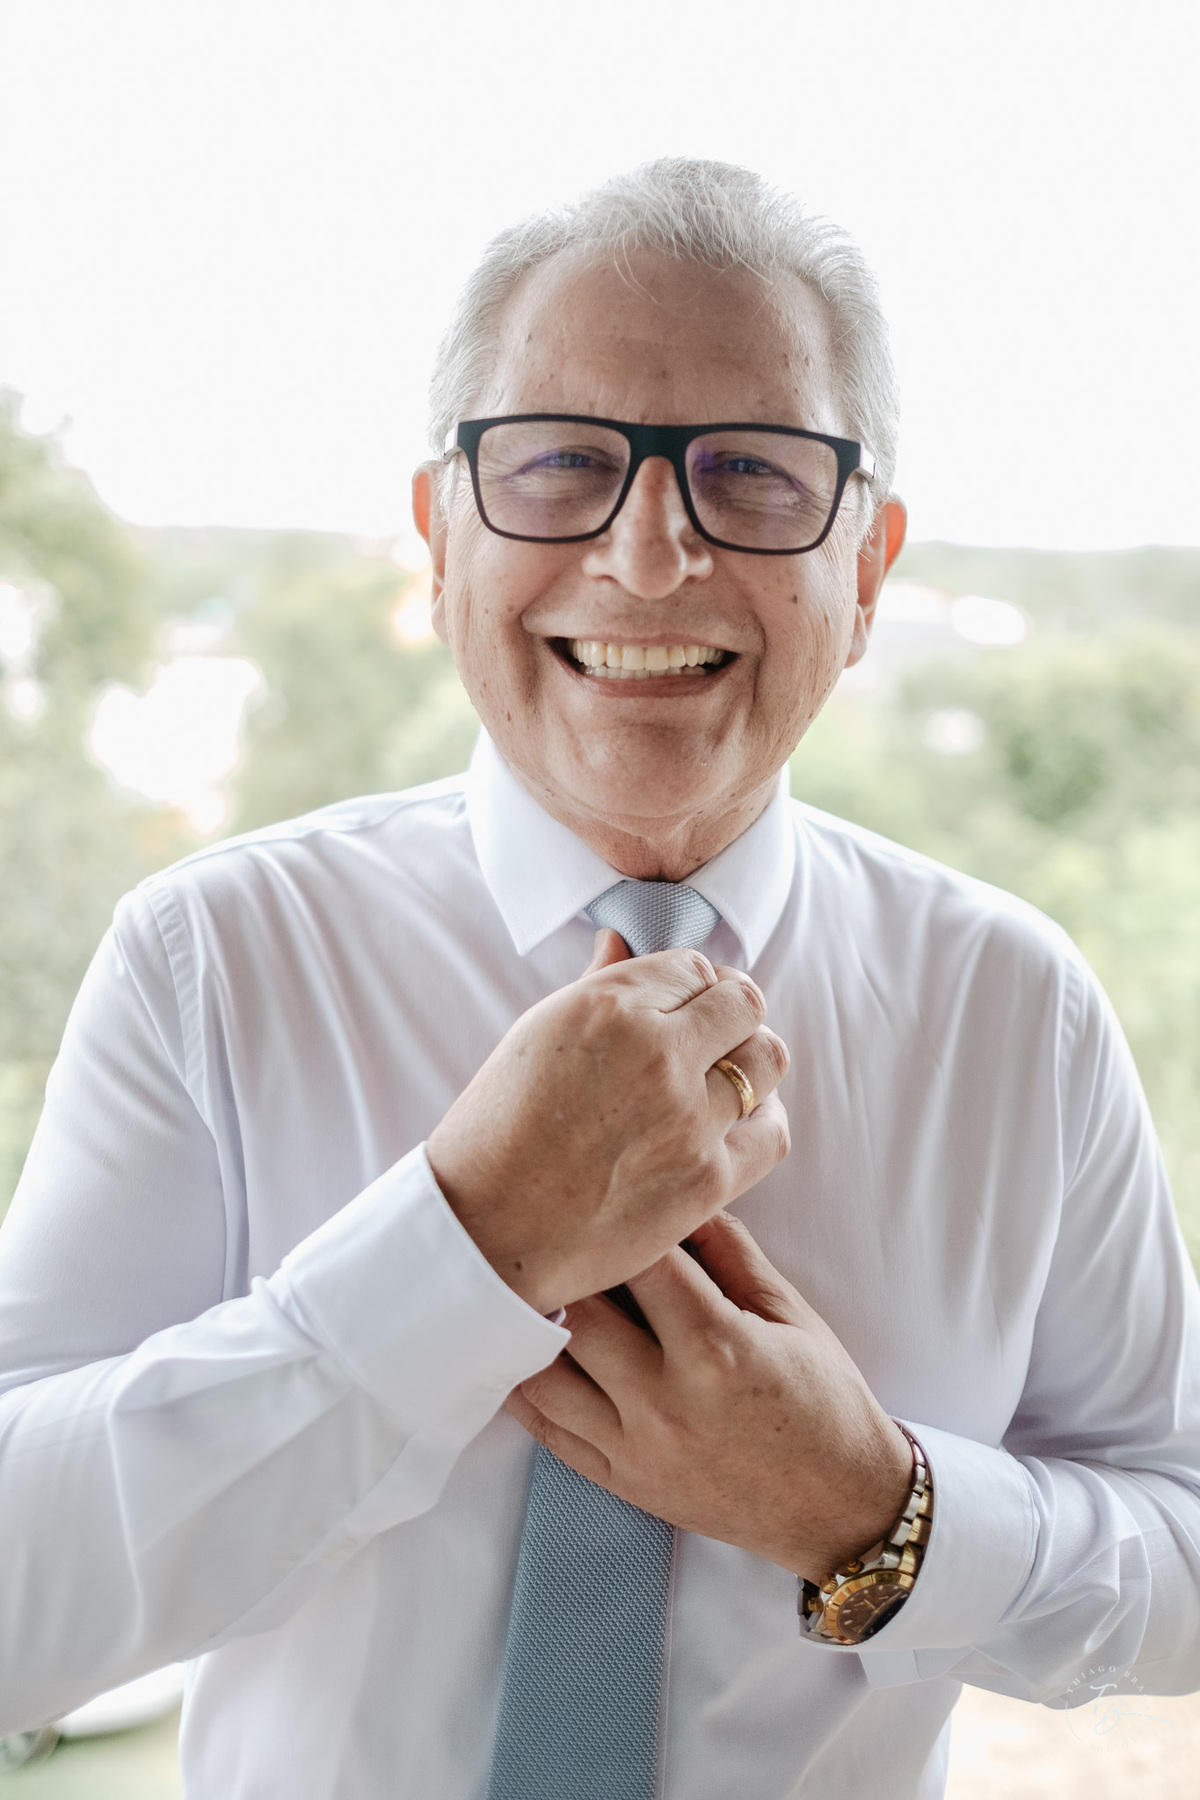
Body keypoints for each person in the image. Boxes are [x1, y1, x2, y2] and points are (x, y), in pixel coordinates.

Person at [1, 158, 1198, 1800]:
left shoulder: (1020, 1012)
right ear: (438, 541)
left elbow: (1185, 1565)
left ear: (869, 569)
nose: (649, 560)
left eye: (756, 478)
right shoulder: (214, 962)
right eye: (560, 463)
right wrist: (465, 1241)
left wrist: (879, 1510)